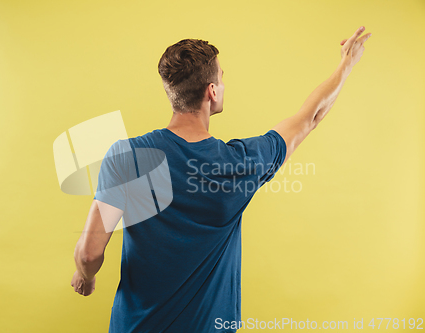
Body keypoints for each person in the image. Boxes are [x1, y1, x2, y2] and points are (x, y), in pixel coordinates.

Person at [71, 26, 372, 332]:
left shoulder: (127, 155)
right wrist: (346, 64)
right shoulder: (239, 163)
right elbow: (310, 117)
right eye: (222, 78)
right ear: (212, 91)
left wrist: (86, 275)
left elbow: (89, 253)